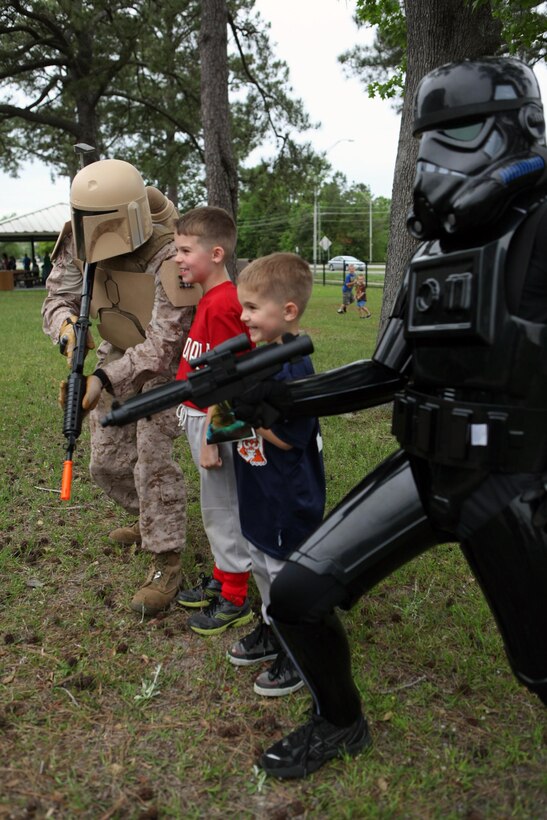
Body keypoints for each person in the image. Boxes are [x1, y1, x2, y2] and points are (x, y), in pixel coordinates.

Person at [228, 57, 547, 779]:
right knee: (300, 597)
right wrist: (278, 397)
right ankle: (339, 723)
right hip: (427, 468)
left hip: (510, 479)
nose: (436, 157)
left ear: (517, 128)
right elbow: (384, 371)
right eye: (426, 137)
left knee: (538, 667)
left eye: (458, 130)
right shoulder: (432, 252)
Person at [42, 159, 199, 615]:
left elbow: (166, 345)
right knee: (106, 464)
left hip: (166, 371)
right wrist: (68, 330)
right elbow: (57, 298)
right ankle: (149, 518)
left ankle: (166, 561)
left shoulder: (171, 254)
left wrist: (102, 378)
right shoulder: (78, 235)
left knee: (152, 462)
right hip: (115, 354)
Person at [226, 252, 326, 697]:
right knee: (263, 566)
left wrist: (245, 414)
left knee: (283, 574)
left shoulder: (296, 370)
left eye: (251, 307)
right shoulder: (265, 357)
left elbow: (289, 438)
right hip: (259, 493)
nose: (242, 315)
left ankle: (300, 650)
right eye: (242, 306)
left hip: (286, 497)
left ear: (288, 312)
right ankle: (272, 629)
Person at [173, 206, 254, 636]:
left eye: (186, 250)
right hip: (197, 416)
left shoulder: (224, 303)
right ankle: (224, 577)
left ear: (217, 253)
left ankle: (235, 597)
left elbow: (228, 381)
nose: (178, 258)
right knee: (214, 504)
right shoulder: (209, 297)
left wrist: (209, 435)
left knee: (222, 507)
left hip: (211, 422)